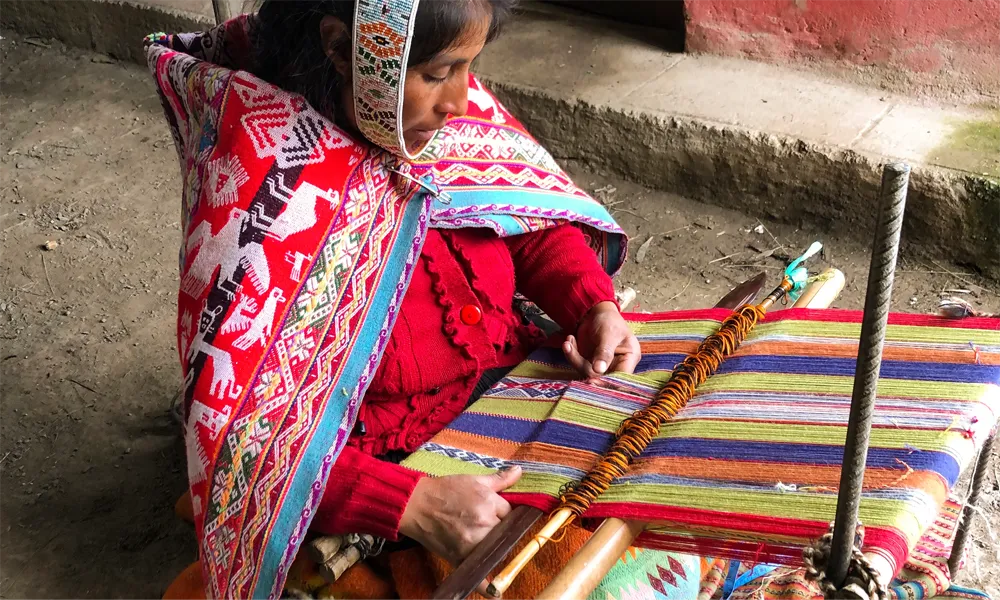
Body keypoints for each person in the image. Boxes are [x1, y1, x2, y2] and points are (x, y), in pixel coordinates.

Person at [147, 1, 718, 598]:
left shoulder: (420, 120)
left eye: (469, 67)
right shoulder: (265, 190)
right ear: (342, 48)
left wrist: (593, 305)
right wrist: (414, 505)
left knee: (686, 478)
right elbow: (244, 445)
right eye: (438, 73)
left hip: (512, 384)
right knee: (598, 581)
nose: (462, 103)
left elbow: (526, 218)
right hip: (392, 463)